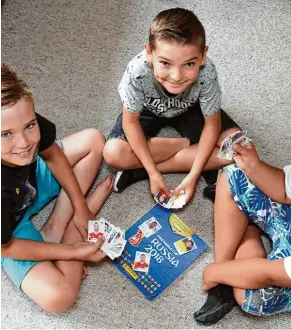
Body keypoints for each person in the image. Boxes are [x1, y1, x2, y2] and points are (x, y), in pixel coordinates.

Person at [194, 127, 291, 325]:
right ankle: (224, 277)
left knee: (250, 298)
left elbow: (269, 274)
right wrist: (254, 166)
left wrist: (212, 272)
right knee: (234, 175)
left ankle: (247, 236)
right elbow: (285, 190)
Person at [1, 64, 113, 312]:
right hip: (10, 231)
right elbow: (7, 246)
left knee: (94, 140)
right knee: (58, 297)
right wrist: (71, 251)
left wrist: (80, 206)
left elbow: (51, 154)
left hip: (29, 185)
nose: (24, 143)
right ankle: (72, 232)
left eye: (30, 125)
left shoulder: (17, 115)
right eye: (6, 134)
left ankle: (57, 226)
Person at [103, 7, 240, 203]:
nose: (176, 76)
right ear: (149, 53)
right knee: (113, 153)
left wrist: (192, 177)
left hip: (190, 108)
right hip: (147, 109)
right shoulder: (137, 70)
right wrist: (156, 173)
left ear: (203, 56)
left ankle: (137, 172)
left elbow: (212, 125)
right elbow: (130, 123)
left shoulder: (207, 70)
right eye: (165, 63)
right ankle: (190, 145)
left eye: (189, 64)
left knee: (240, 147)